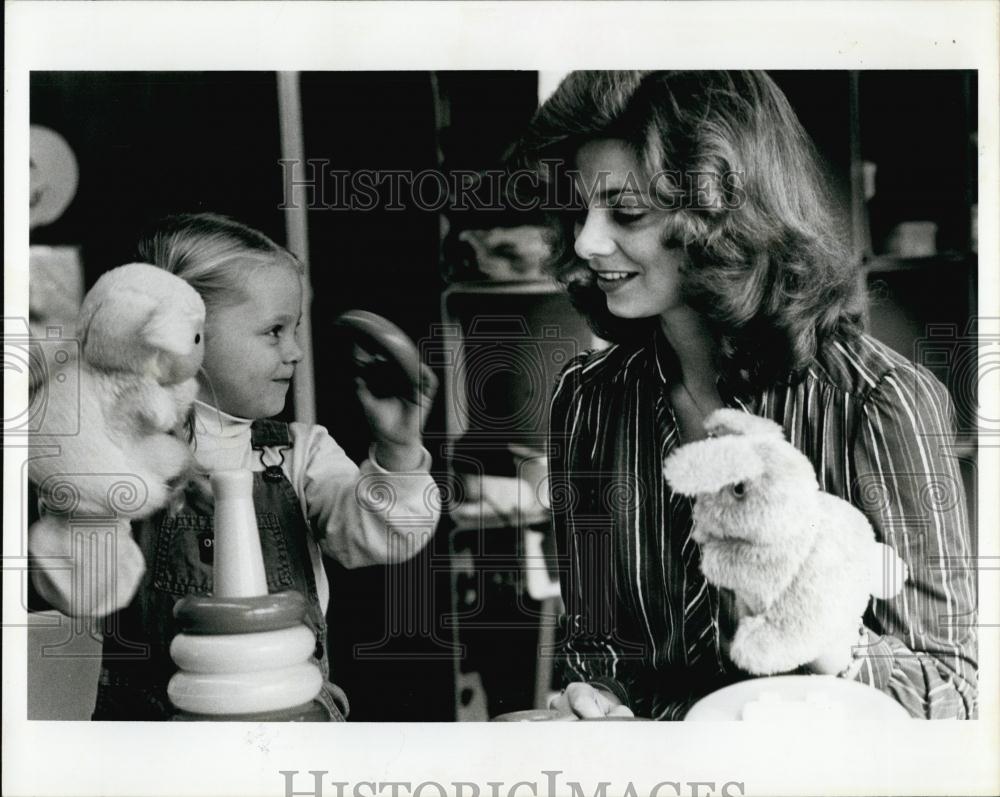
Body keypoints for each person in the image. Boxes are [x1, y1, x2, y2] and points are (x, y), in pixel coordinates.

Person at [514, 71, 977, 720]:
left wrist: (829, 638)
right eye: (581, 209)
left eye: (626, 212)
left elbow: (953, 692)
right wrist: (596, 703)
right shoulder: (588, 403)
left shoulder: (880, 402)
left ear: (722, 216)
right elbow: (593, 647)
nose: (588, 242)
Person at [29, 213, 440, 720]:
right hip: (152, 736)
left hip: (286, 718)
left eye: (295, 330)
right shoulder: (121, 457)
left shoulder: (298, 453)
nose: (293, 352)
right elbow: (75, 590)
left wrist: (398, 448)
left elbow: (386, 535)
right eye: (273, 331)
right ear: (186, 332)